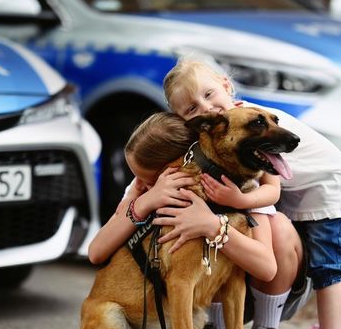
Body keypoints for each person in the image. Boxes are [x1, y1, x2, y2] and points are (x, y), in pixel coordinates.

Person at [163, 59, 341, 329]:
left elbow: (272, 189)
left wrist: (238, 201)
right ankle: (335, 324)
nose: (204, 108)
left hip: (327, 190)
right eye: (190, 109)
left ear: (227, 87)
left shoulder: (251, 123)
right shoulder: (214, 132)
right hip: (296, 200)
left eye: (210, 94)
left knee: (329, 268)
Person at [89, 111, 278, 292]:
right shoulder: (146, 190)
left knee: (281, 227)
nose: (138, 185)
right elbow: (96, 252)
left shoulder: (248, 188)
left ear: (180, 166)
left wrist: (212, 226)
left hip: (234, 297)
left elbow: (267, 268)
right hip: (172, 304)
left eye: (147, 181)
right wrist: (142, 202)